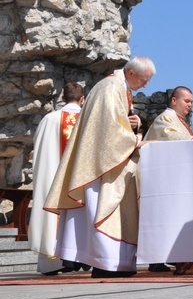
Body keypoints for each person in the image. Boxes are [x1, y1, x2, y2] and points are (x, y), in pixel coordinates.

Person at [44, 56, 156, 278]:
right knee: (103, 208)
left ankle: (113, 262)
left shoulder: (119, 88)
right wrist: (135, 141)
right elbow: (108, 130)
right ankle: (106, 263)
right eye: (144, 80)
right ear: (131, 73)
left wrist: (134, 123)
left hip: (109, 162)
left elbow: (115, 121)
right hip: (101, 165)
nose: (145, 85)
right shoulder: (109, 87)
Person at [28, 82, 85, 275]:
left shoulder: (48, 120)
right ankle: (79, 257)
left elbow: (38, 148)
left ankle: (51, 262)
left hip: (52, 178)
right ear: (83, 99)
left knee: (53, 214)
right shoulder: (87, 120)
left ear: (62, 99)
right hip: (79, 182)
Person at [143, 86, 193, 273]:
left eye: (191, 102)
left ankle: (174, 255)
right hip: (159, 180)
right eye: (187, 101)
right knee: (161, 218)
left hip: (173, 178)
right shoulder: (166, 118)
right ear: (174, 101)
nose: (190, 105)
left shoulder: (180, 120)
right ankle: (156, 259)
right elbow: (172, 137)